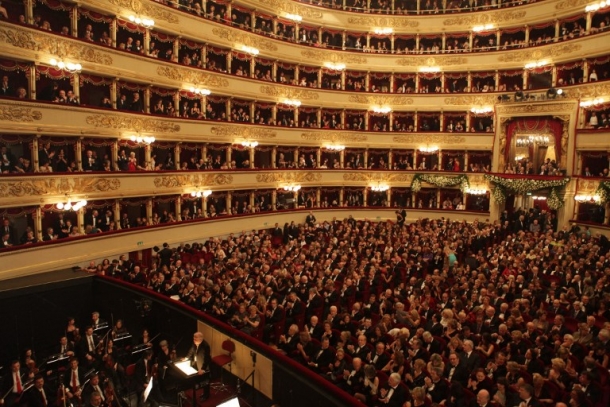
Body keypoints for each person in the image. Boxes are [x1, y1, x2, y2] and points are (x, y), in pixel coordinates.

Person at [184, 332, 210, 401]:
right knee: (200, 380)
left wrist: (203, 369)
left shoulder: (205, 346)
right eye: (193, 337)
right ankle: (203, 393)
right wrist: (186, 358)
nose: (194, 339)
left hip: (203, 366)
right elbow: (191, 350)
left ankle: (206, 395)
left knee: (205, 382)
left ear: (201, 338)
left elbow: (207, 359)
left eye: (195, 338)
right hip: (196, 363)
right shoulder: (194, 343)